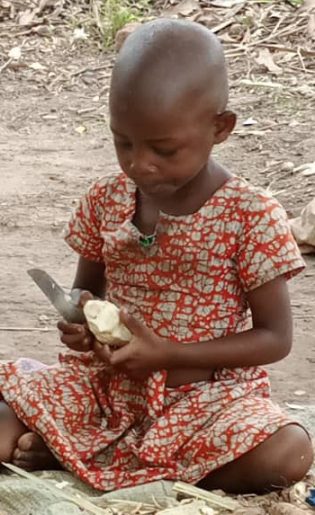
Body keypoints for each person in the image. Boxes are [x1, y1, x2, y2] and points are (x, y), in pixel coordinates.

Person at [0, 19, 313, 494]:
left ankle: (76, 454)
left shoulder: (251, 215)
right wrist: (80, 326)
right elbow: (86, 294)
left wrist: (169, 355)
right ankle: (91, 450)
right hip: (107, 390)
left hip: (205, 399)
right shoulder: (107, 199)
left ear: (221, 128)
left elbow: (275, 338)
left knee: (289, 452)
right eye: (122, 142)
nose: (138, 163)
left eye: (164, 149)